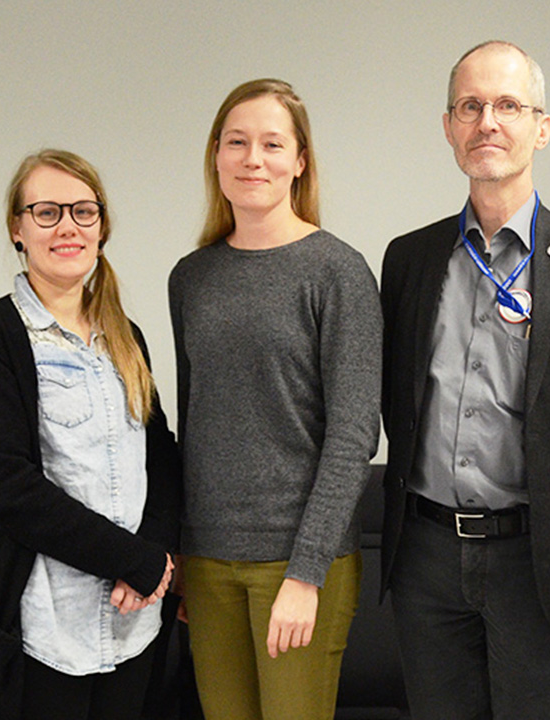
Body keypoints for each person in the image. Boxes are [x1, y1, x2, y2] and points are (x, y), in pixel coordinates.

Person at [379, 41, 550, 719]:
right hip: (427, 560)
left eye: (507, 105)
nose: (487, 122)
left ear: (541, 127)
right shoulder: (410, 260)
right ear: (449, 127)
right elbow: (396, 402)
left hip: (538, 564)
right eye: (470, 106)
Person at [168, 79, 382, 720]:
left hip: (297, 560)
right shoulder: (192, 277)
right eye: (236, 142)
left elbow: (353, 436)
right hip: (208, 561)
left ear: (300, 161)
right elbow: (193, 421)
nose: (252, 159)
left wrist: (306, 571)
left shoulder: (336, 271)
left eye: (271, 144)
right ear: (216, 156)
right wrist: (184, 551)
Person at [0, 149, 180, 720]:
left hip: (132, 622)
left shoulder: (125, 336)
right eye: (46, 212)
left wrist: (155, 555)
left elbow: (160, 456)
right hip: (42, 629)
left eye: (82, 211)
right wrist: (131, 558)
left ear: (101, 227)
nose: (67, 226)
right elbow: (9, 488)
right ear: (17, 229)